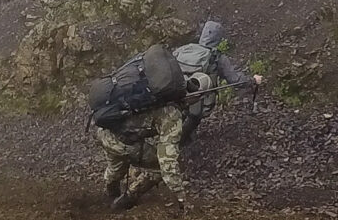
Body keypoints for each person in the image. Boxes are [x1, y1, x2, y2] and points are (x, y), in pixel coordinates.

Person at [94, 19, 261, 208]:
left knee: (116, 164)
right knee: (159, 164)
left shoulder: (183, 53)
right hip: (129, 143)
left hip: (105, 131)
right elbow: (167, 162)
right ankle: (129, 198)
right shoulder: (174, 111)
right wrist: (182, 198)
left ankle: (109, 189)